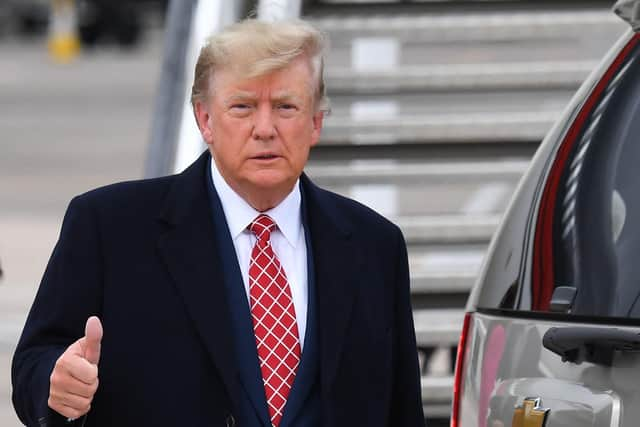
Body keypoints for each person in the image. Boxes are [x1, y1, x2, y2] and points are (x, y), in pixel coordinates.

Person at [12, 18, 424, 427]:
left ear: (315, 121)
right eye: (242, 107)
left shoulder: (375, 246)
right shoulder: (109, 228)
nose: (265, 129)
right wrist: (56, 384)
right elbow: (35, 361)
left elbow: (401, 409)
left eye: (286, 107)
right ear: (205, 119)